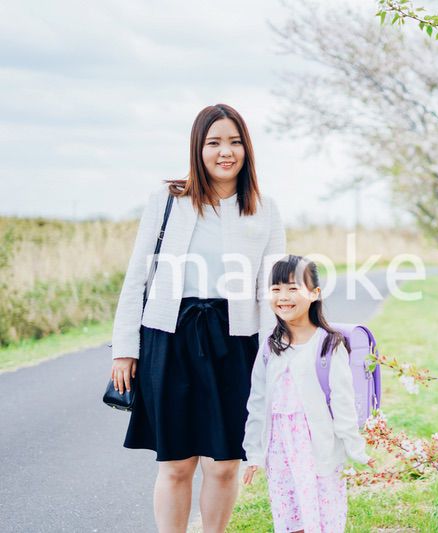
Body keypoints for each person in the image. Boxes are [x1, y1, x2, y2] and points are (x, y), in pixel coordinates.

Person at [109, 103, 286, 533]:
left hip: (236, 341)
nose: (225, 152)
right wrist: (124, 350)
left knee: (224, 462)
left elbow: (274, 290)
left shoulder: (264, 208)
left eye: (234, 142)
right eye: (214, 143)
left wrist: (276, 355)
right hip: (169, 338)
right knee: (176, 463)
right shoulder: (168, 201)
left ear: (246, 149)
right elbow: (137, 277)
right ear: (198, 148)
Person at [242, 255, 373, 533]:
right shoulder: (270, 345)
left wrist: (355, 448)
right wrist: (254, 452)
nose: (283, 297)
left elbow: (342, 402)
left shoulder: (328, 344)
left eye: (292, 288)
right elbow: (258, 401)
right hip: (281, 452)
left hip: (318, 448)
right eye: (275, 289)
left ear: (314, 294)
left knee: (323, 519)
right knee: (290, 520)